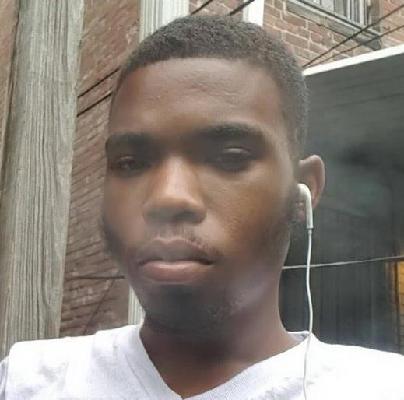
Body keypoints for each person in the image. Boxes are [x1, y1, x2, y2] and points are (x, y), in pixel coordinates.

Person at [1, 15, 403, 400]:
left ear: (304, 190)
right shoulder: (26, 382)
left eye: (229, 158)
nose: (168, 197)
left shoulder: (383, 389)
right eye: (130, 163)